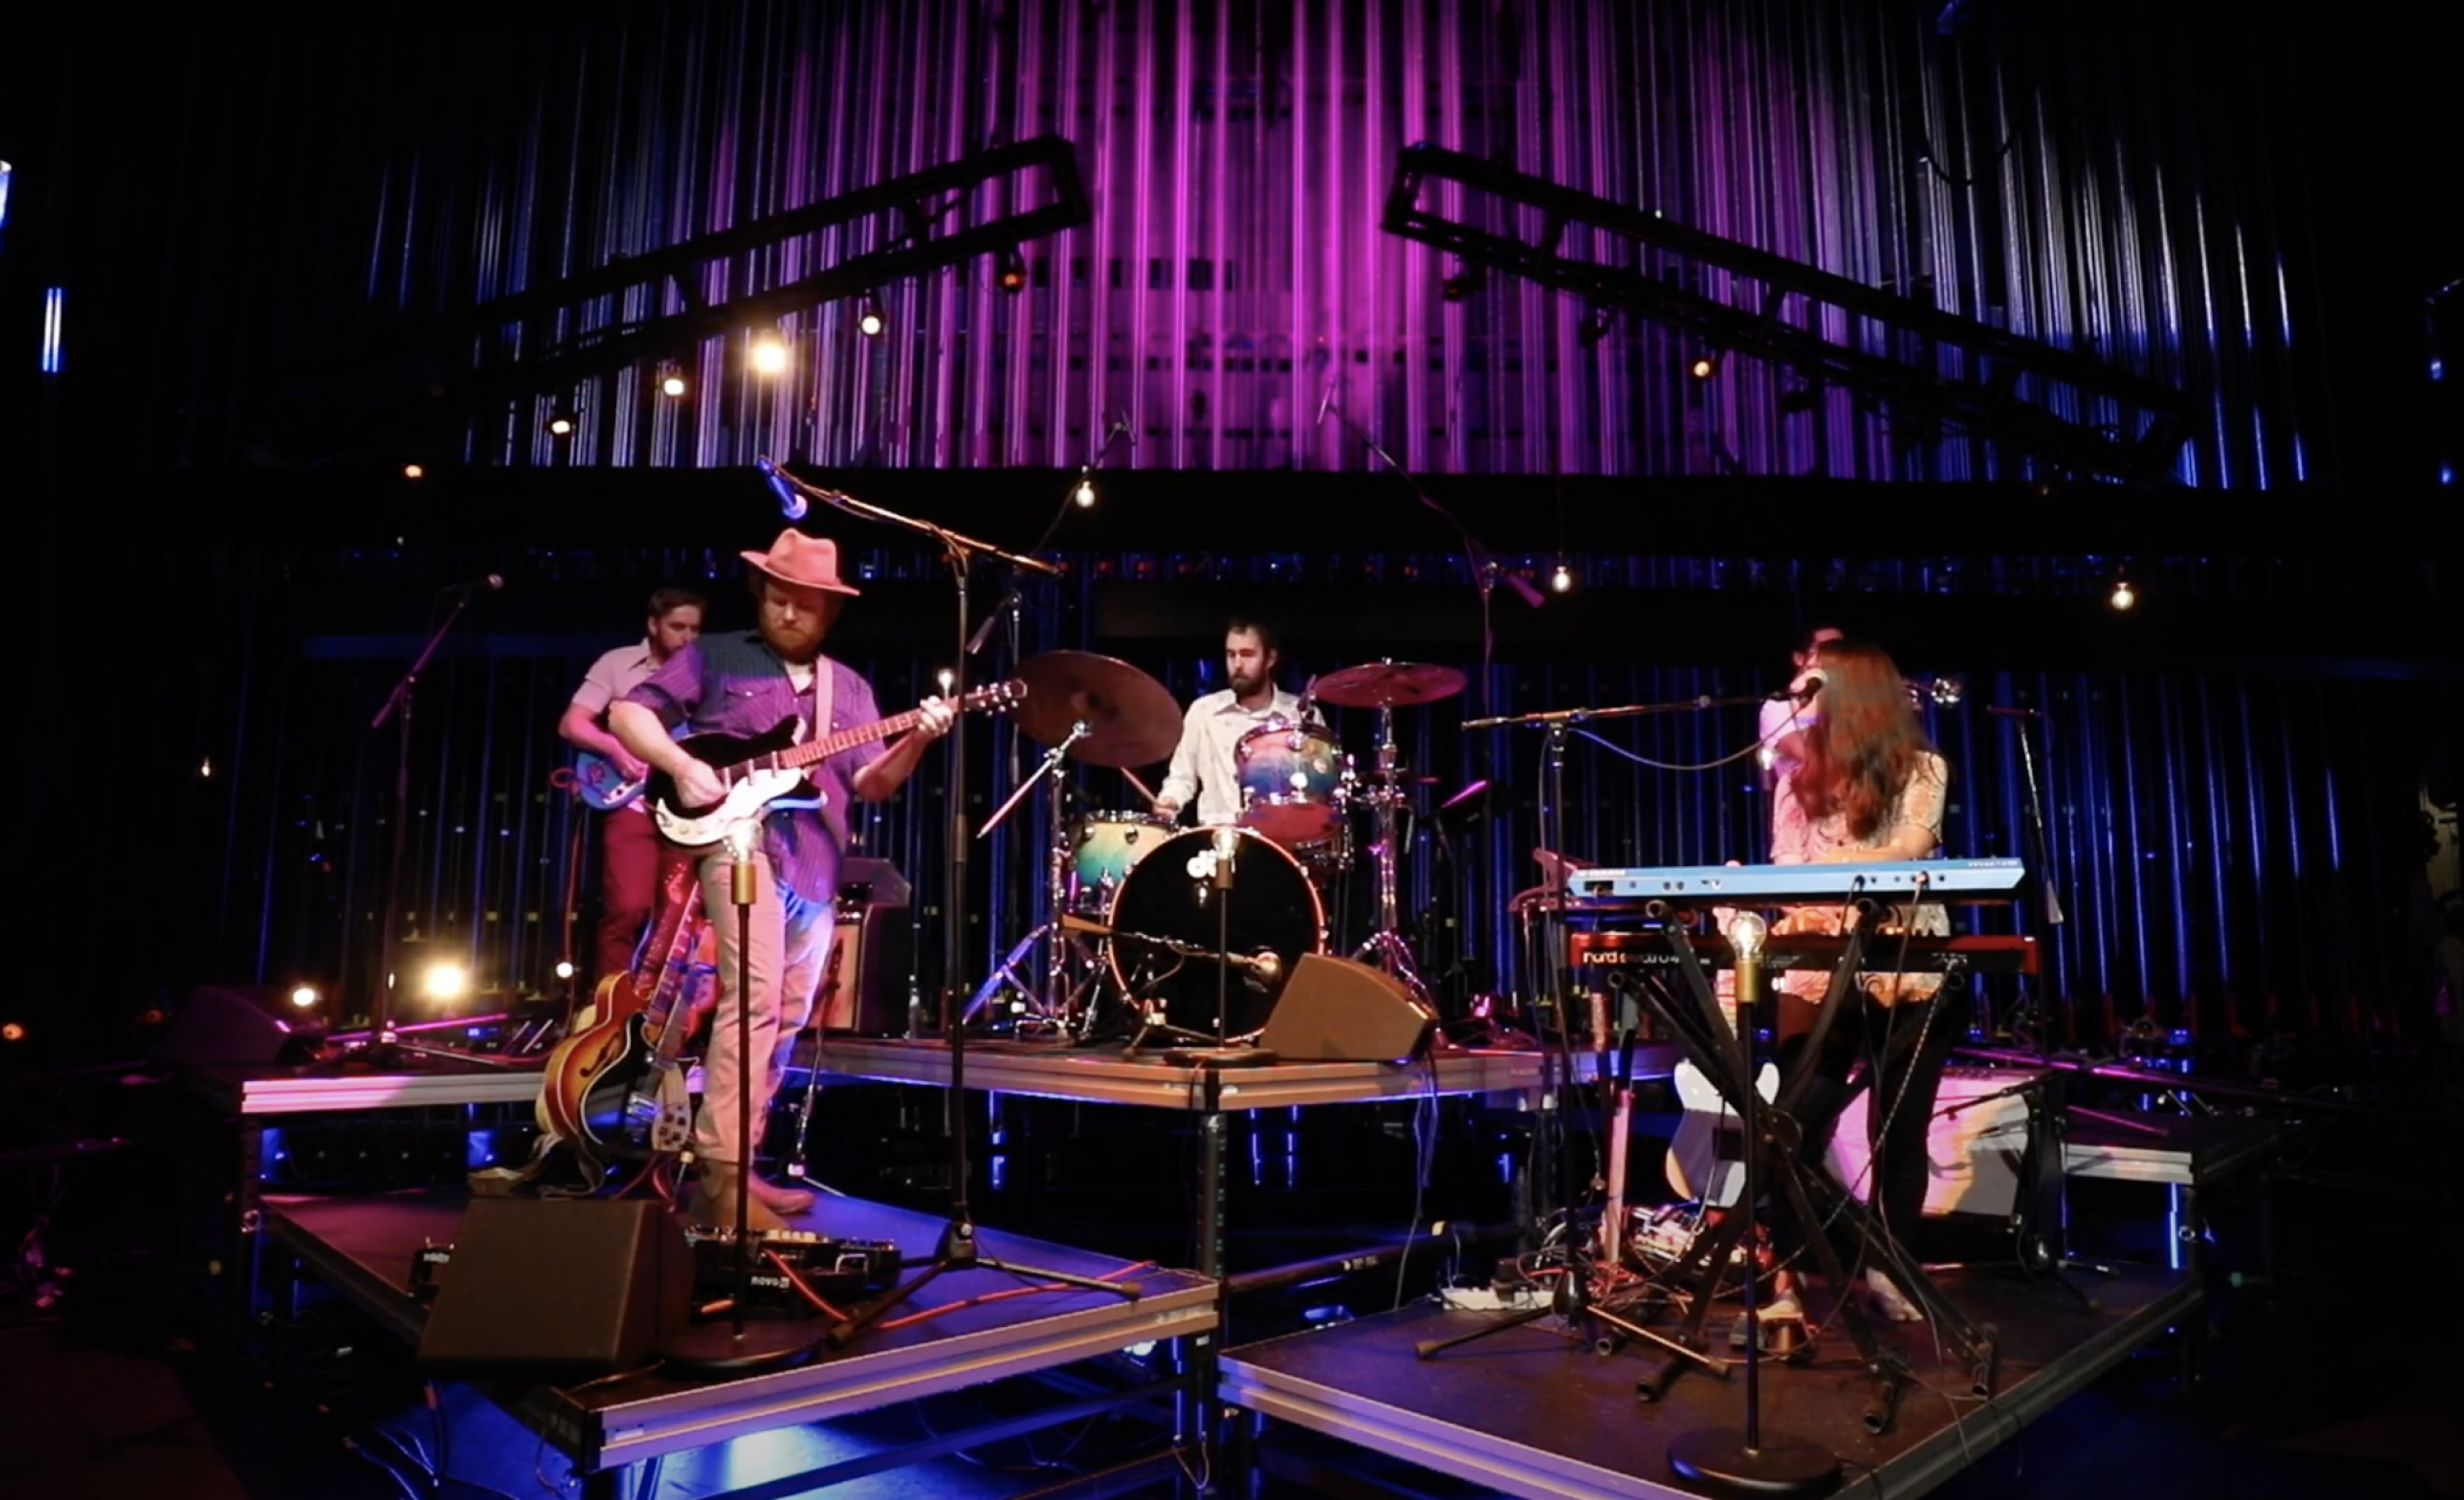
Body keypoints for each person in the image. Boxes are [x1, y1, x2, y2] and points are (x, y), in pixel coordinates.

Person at [609, 530, 951, 1229]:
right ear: (761, 595)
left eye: (804, 604)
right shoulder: (717, 654)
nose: (788, 613)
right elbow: (628, 711)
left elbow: (871, 782)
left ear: (829, 611)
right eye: (778, 598)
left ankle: (742, 1164)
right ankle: (720, 1179)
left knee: (788, 1017)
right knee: (754, 998)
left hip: (817, 867)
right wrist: (678, 763)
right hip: (740, 847)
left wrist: (918, 736)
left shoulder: (848, 687)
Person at [1768, 637, 1956, 1323]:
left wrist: (1846, 860)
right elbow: (1785, 860)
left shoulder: (1923, 766)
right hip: (1818, 956)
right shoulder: (1797, 775)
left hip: (1903, 958)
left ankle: (1891, 1270)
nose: (1805, 696)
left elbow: (1911, 845)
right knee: (1790, 1123)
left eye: (1821, 685)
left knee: (1898, 1130)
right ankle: (1787, 1279)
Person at [559, 587, 706, 990]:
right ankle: (609, 1007)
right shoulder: (619, 664)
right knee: (627, 907)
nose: (687, 637)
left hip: (686, 811)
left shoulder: (708, 673)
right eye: (678, 627)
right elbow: (572, 723)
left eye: (695, 629)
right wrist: (614, 745)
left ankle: (659, 1013)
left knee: (676, 919)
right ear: (653, 625)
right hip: (632, 802)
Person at [1154, 618, 1305, 827]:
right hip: (1215, 838)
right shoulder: (1204, 711)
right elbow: (1181, 778)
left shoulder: (1300, 715)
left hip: (1279, 840)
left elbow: (1317, 791)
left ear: (1270, 659)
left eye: (1247, 654)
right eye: (1231, 654)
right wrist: (1169, 801)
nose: (1238, 664)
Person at [1758, 623, 1843, 815]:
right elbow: (1807, 755)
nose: (1837, 658)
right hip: (1806, 816)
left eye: (1841, 649)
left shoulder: (1850, 700)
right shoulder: (1778, 706)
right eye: (1827, 649)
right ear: (1799, 658)